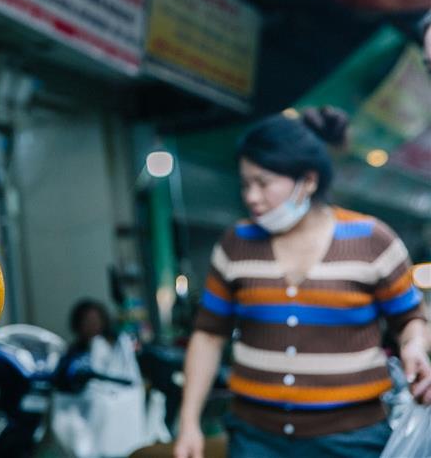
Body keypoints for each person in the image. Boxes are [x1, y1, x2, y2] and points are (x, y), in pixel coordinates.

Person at [173, 107, 431, 458]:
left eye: (263, 183)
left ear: (308, 180)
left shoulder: (372, 240)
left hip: (353, 439)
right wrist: (188, 421)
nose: (251, 196)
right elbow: (208, 335)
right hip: (255, 440)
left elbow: (411, 318)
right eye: (245, 184)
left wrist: (413, 346)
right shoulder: (236, 244)